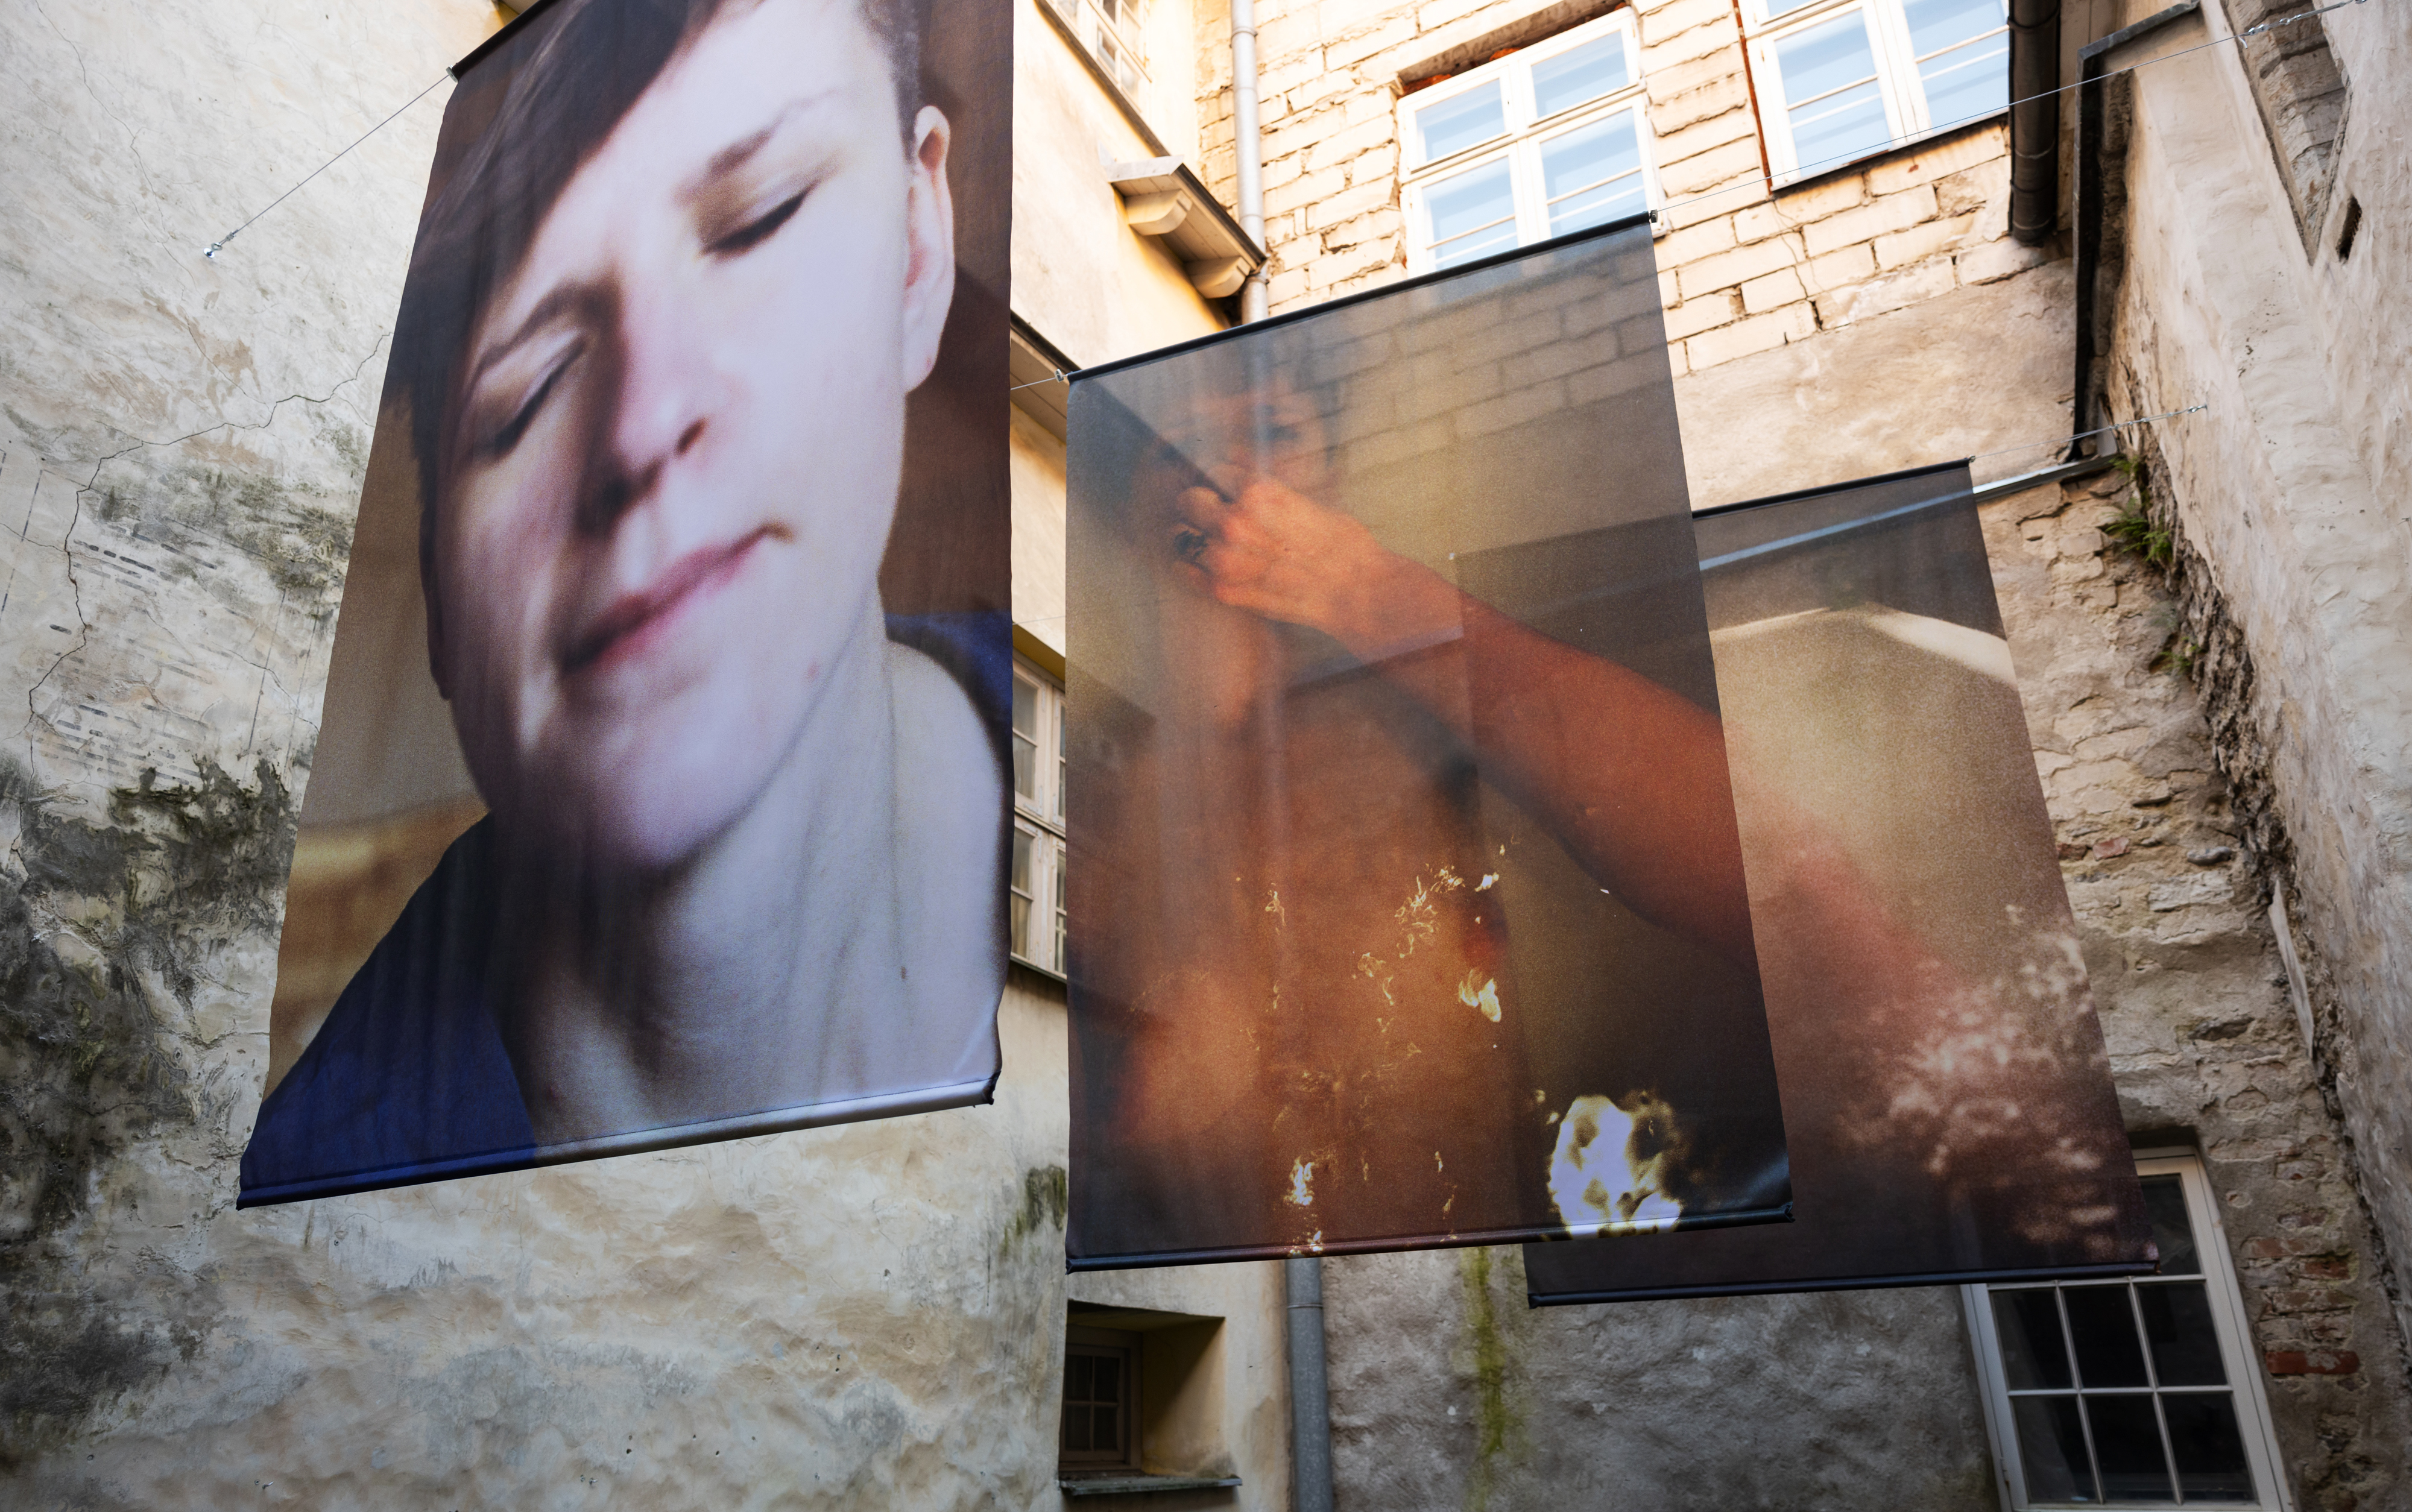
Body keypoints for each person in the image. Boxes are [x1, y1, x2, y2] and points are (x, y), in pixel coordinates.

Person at [241, 0, 1005, 1205]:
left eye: (757, 220)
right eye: (524, 392)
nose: (642, 425)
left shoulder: (1158, 860)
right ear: (440, 587)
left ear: (915, 248)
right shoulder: (310, 1214)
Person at [1073, 369, 1776, 1255]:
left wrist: (1359, 590)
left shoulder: (1425, 708)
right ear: (1132, 517)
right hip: (1199, 1249)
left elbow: (1743, 858)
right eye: (1178, 444)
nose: (1223, 474)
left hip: (1456, 1242)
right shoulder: (1099, 764)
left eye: (1276, 431)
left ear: (1331, 484)